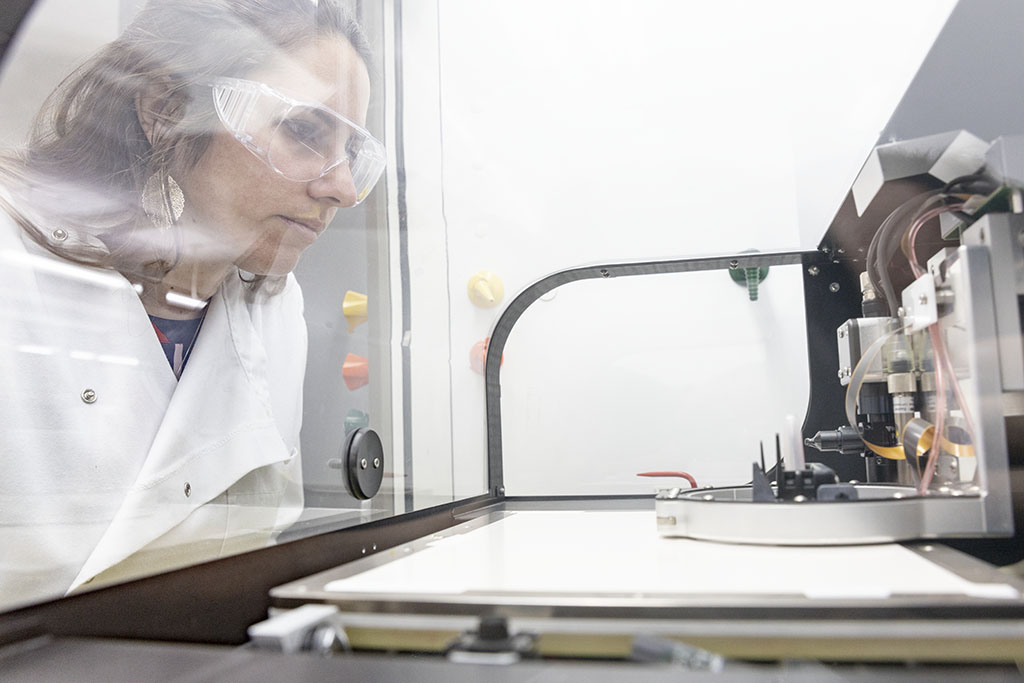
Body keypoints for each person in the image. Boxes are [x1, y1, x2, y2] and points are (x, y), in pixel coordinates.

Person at [0, 0, 384, 609]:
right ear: (166, 113)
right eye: (304, 131)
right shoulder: (13, 263)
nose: (341, 187)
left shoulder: (275, 308)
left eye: (351, 153)